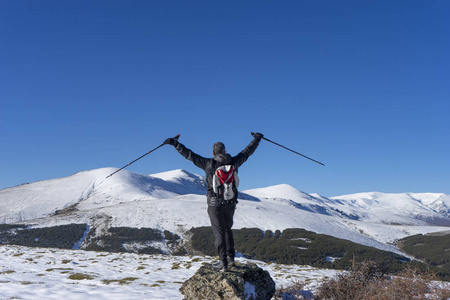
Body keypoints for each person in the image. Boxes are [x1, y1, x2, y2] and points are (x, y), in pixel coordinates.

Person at [163, 132, 263, 271]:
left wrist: (175, 144)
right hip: (230, 202)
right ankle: (231, 259)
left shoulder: (208, 163)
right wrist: (256, 139)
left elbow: (189, 155)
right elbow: (247, 152)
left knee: (219, 232)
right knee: (228, 230)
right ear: (224, 151)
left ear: (213, 152)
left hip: (214, 203)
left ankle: (223, 263)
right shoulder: (234, 161)